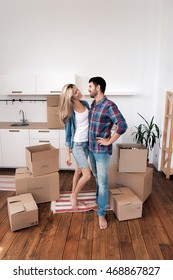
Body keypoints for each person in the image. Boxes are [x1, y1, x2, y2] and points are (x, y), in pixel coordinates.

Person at [88, 76, 127, 230]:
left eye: (90, 86)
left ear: (98, 88)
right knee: (97, 178)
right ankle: (99, 202)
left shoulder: (109, 106)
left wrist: (109, 141)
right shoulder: (93, 104)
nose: (89, 89)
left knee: (103, 183)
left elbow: (122, 125)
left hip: (102, 151)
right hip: (91, 148)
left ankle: (102, 213)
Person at [59, 83, 91, 210]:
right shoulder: (69, 112)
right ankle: (73, 195)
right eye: (76, 92)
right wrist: (68, 155)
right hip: (77, 145)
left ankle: (73, 194)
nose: (79, 92)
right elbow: (68, 136)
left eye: (78, 90)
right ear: (70, 97)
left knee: (78, 171)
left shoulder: (86, 104)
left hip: (87, 143)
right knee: (87, 175)